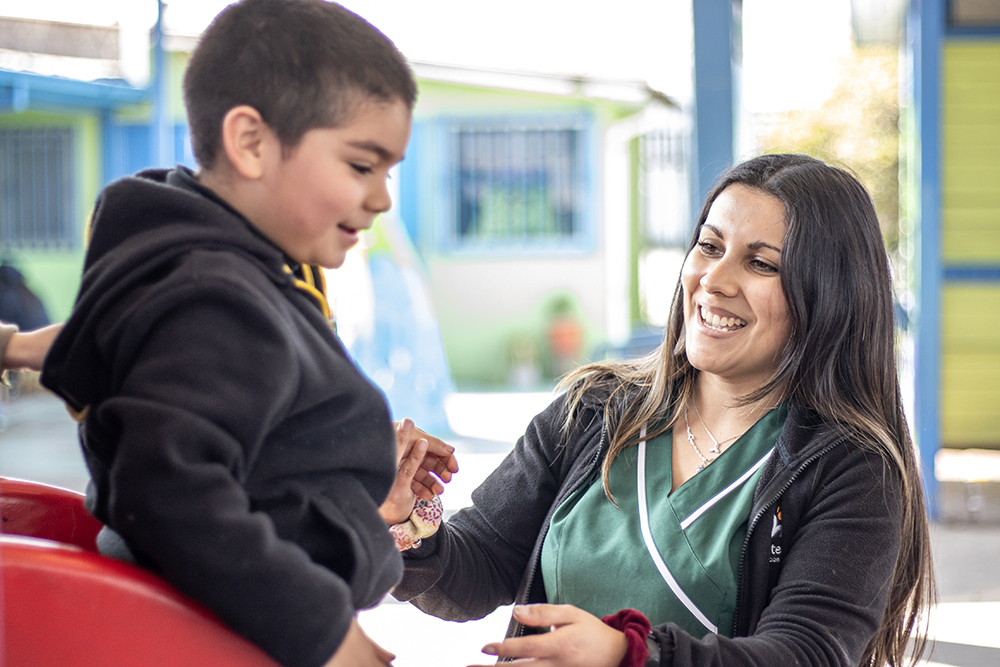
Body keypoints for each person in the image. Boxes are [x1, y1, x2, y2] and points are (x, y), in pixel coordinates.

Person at [388, 154, 935, 667]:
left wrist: (631, 654)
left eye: (761, 264)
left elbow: (803, 653)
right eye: (709, 246)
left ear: (830, 294)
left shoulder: (852, 467)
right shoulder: (595, 411)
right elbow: (476, 569)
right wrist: (408, 517)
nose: (715, 281)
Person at [40, 2, 455, 666]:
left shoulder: (229, 266)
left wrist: (359, 494)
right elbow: (171, 492)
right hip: (218, 638)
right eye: (361, 165)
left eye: (388, 171)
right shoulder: (215, 295)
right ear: (252, 143)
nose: (381, 198)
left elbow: (259, 472)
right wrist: (329, 633)